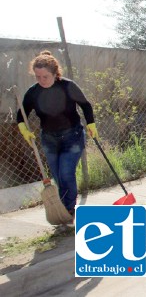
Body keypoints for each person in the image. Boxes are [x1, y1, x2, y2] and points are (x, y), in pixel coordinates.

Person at [17, 50, 98, 216]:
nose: (41, 80)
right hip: (49, 138)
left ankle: (68, 209)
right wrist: (23, 129)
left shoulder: (68, 86)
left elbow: (85, 105)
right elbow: (21, 113)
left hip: (72, 136)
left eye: (45, 76)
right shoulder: (33, 92)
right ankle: (61, 209)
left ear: (55, 73)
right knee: (57, 177)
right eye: (37, 77)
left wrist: (91, 124)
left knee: (66, 173)